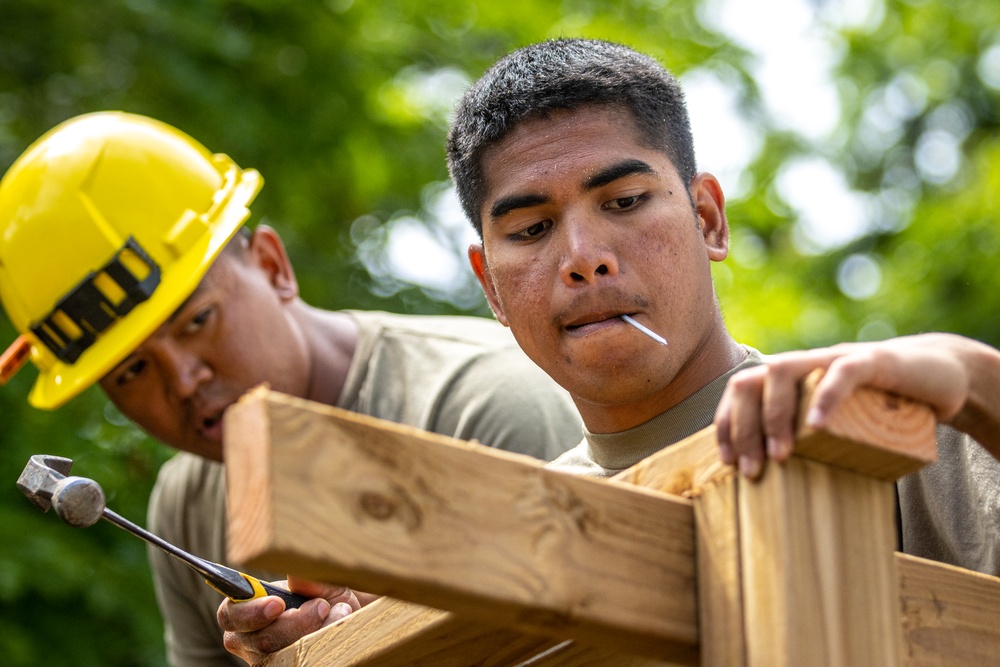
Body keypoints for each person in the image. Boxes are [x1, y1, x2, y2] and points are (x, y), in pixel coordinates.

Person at [217, 38, 1000, 663]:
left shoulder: (892, 428)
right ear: (490, 287)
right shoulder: (492, 549)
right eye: (531, 229)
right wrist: (353, 647)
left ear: (708, 220)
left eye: (624, 202)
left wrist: (970, 375)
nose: (584, 256)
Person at [0, 111, 583, 667]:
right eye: (130, 371)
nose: (183, 380)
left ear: (273, 266)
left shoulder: (488, 411)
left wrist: (392, 639)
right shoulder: (186, 502)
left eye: (197, 321)